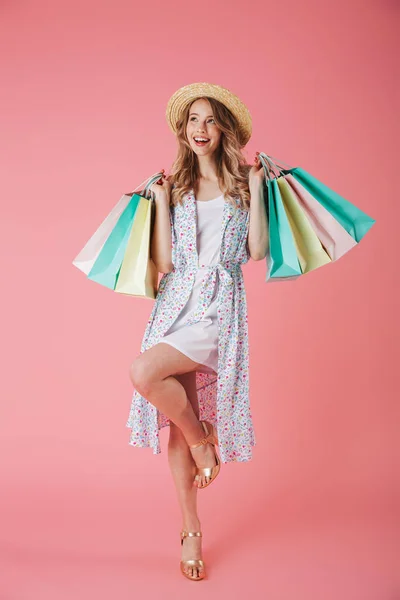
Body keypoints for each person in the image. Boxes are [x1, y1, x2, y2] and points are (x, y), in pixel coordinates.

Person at [126, 82, 269, 580]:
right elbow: (165, 262)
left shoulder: (244, 184)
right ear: (183, 132)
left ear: (224, 130)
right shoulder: (179, 188)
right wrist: (161, 201)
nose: (200, 129)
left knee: (144, 373)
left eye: (209, 120)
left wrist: (260, 190)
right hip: (176, 305)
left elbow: (255, 252)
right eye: (192, 121)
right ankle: (191, 530)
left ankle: (203, 441)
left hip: (217, 311)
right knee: (174, 425)